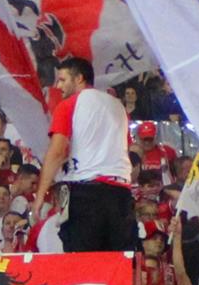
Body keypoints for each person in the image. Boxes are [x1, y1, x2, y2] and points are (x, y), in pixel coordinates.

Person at [31, 56, 134, 253]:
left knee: (84, 262)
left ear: (79, 78)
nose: (58, 86)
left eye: (62, 80)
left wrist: (40, 196)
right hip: (121, 194)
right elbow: (126, 148)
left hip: (86, 193)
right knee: (118, 263)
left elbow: (57, 152)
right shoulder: (118, 107)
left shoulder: (69, 104)